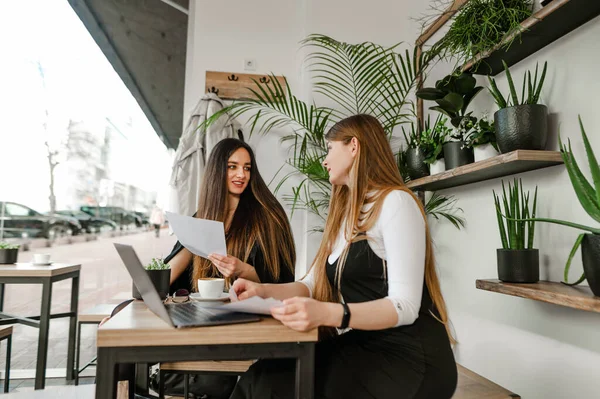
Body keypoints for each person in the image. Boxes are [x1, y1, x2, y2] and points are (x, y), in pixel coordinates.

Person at [230, 114, 458, 399]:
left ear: (353, 146)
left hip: (410, 359)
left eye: (329, 148)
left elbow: (406, 306)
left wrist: (328, 313)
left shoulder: (395, 202)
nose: (325, 160)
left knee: (274, 388)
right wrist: (260, 290)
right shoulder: (344, 215)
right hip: (364, 345)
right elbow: (310, 285)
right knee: (260, 377)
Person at [165, 137, 296, 292]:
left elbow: (282, 282)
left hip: (254, 311)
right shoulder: (201, 216)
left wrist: (242, 269)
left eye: (247, 168)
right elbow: (172, 270)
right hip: (207, 311)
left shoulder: (269, 216)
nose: (241, 174)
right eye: (232, 167)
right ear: (217, 171)